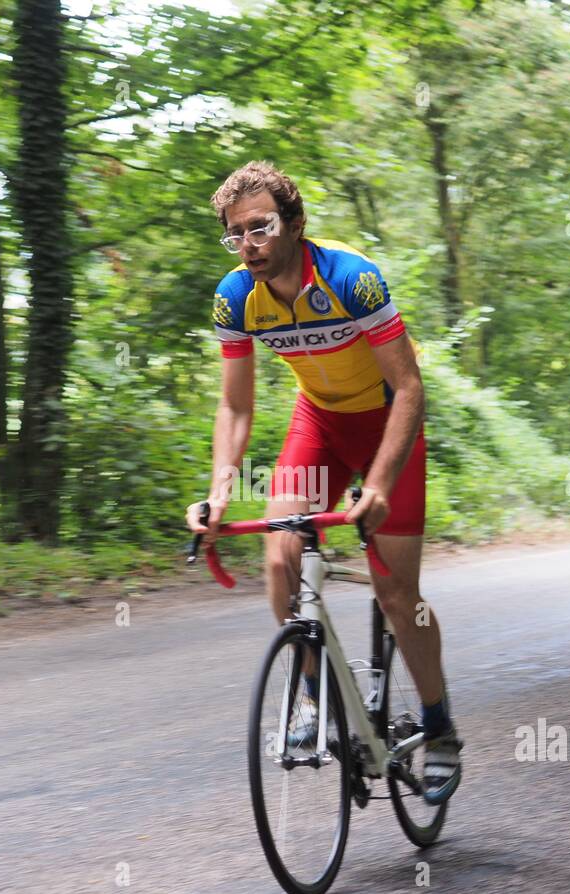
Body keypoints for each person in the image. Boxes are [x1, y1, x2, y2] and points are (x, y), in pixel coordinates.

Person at [186, 161, 462, 804]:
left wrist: (382, 483)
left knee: (399, 597)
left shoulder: (351, 278)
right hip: (322, 423)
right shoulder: (235, 297)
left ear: (295, 223)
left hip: (389, 419)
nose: (249, 244)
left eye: (260, 227)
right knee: (281, 554)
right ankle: (311, 689)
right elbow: (236, 407)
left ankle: (440, 725)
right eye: (236, 234)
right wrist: (221, 492)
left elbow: (411, 388)